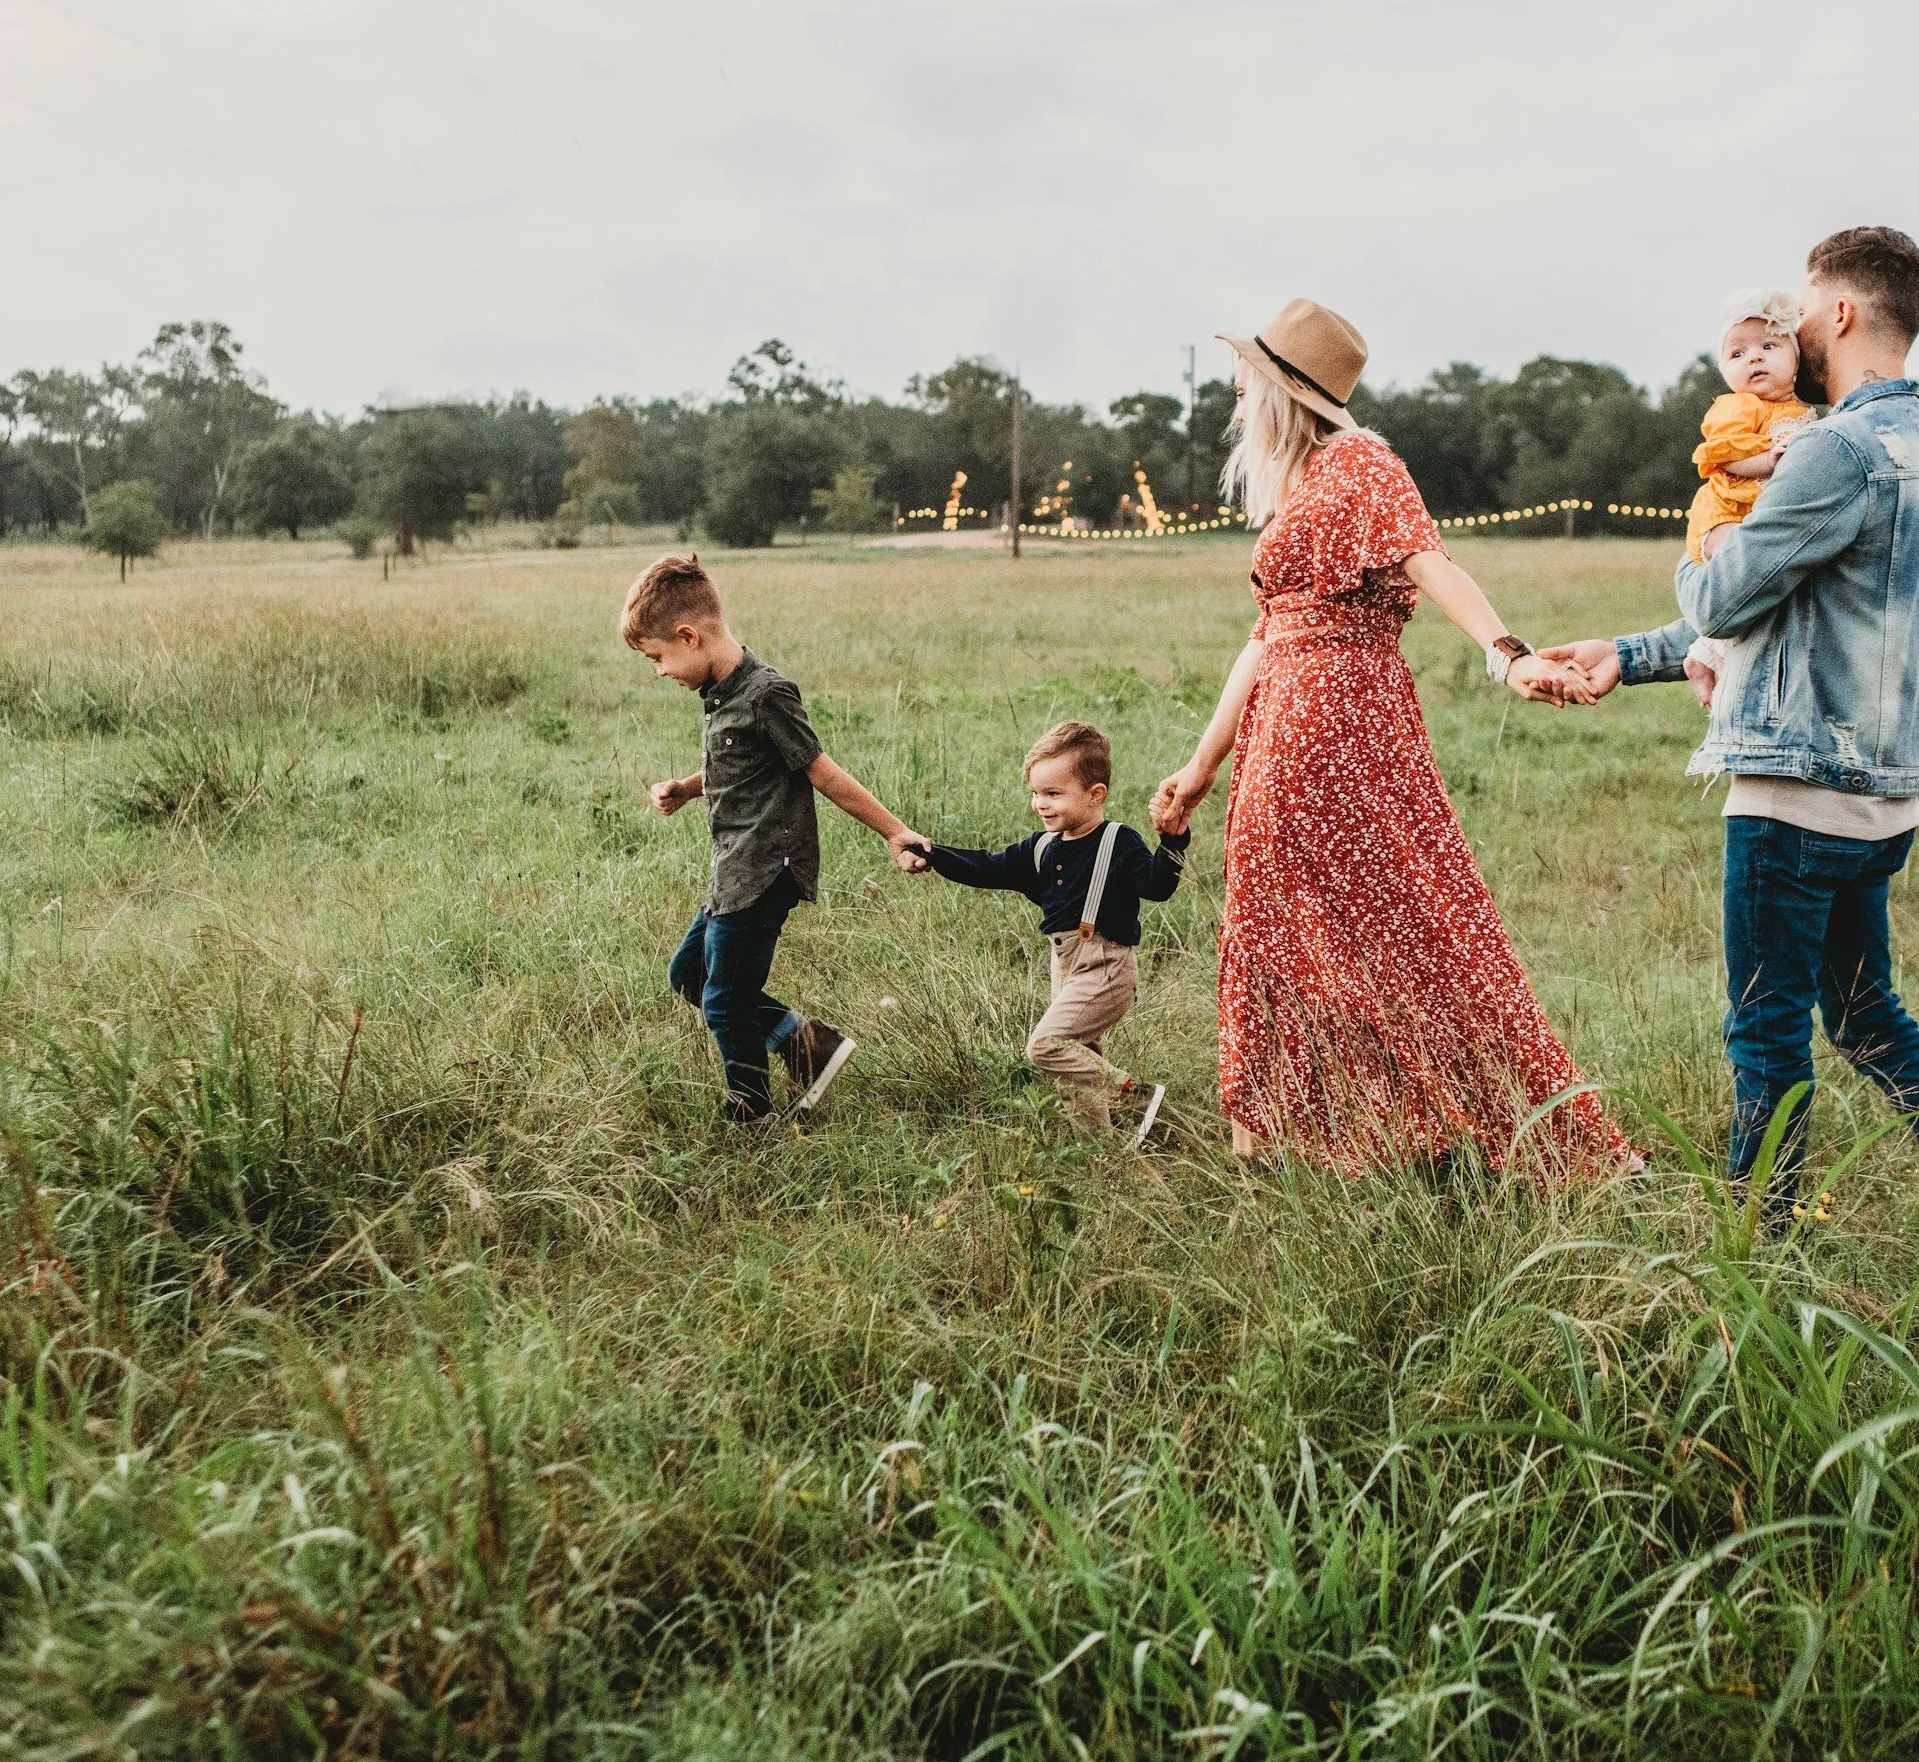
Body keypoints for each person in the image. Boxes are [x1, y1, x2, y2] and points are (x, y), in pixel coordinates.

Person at [1541, 228, 1919, 1269]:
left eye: (1803, 308)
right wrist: (1631, 653)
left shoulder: (1832, 447)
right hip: (1878, 798)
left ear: (1841, 315)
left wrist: (1705, 549)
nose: (1788, 330)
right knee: (1866, 1014)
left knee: (1763, 1029)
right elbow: (1792, 607)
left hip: (1793, 792)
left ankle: (1753, 1248)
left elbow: (1731, 591)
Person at [1149, 297, 1637, 1180]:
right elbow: (1264, 639)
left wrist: (1507, 653)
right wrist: (1200, 765)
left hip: (1340, 722)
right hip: (1285, 727)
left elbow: (1431, 561)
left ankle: (1466, 1127)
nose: (1232, 391)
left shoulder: (1362, 464)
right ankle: (1294, 1137)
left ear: (1282, 390)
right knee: (1279, 926)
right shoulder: (1300, 483)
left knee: (1410, 924)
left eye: (1245, 377)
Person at [621, 553, 929, 1124]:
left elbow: (823, 773)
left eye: (658, 657)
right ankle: (809, 1047)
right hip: (732, 868)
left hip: (766, 870)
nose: (660, 671)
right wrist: (688, 788)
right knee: (689, 976)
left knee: (725, 1001)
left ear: (689, 636)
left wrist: (896, 833)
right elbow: (736, 770)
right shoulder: (719, 693)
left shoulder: (767, 695)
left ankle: (752, 1112)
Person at [911, 720, 1187, 1143]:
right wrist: (932, 854)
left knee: (1047, 1046)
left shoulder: (1118, 841)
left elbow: (1158, 887)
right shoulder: (1040, 847)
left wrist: (1172, 842)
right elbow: (987, 866)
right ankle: (1103, 1151)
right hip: (1065, 965)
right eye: (1036, 793)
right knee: (1078, 1062)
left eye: (1054, 793)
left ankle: (1135, 1095)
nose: (1041, 803)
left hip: (1107, 967)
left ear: (1096, 795)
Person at [1682, 289, 1815, 707]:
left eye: (1768, 346)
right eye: (1737, 354)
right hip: (1724, 514)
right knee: (1741, 573)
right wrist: (1768, 460)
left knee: (1761, 583)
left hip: (1754, 516)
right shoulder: (1737, 407)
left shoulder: (1801, 412)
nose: (1753, 359)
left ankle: (1706, 653)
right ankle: (1712, 655)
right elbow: (1725, 456)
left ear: (1796, 361)